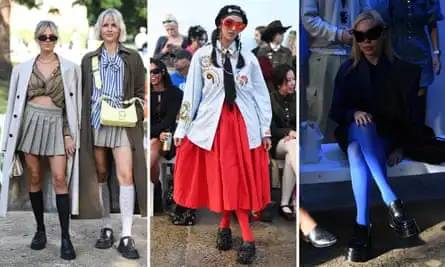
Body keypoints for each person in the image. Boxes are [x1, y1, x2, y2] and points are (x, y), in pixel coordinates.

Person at [172, 5, 272, 265]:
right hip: (214, 126)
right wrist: (182, 128)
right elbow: (191, 94)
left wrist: (265, 129)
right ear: (219, 23)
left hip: (243, 125)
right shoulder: (202, 56)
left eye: (240, 24)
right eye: (229, 22)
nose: (233, 28)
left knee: (236, 180)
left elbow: (261, 95)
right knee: (228, 179)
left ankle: (238, 232)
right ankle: (231, 228)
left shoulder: (249, 59)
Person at [329, 10, 420, 262]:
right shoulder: (347, 70)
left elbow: (412, 115)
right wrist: (354, 111)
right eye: (360, 36)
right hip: (353, 129)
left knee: (357, 151)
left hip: (388, 136)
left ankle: (362, 225)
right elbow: (336, 110)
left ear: (383, 35)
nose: (367, 41)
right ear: (355, 39)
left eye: (372, 34)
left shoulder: (401, 70)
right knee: (362, 126)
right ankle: (392, 201)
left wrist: (400, 147)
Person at [0, 20, 80, 260]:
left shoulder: (69, 68)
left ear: (57, 39)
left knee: (59, 178)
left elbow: (71, 106)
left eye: (52, 37)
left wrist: (68, 133)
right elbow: (16, 104)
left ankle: (66, 237)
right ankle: (40, 230)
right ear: (36, 39)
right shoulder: (22, 68)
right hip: (30, 124)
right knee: (34, 177)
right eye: (43, 37)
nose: (48, 40)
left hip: (57, 123)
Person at [78, 8, 146, 260]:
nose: (108, 29)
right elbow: (84, 94)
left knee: (126, 174)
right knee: (101, 173)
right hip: (97, 122)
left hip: (123, 122)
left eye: (113, 25)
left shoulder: (132, 57)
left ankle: (126, 234)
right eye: (105, 25)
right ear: (99, 29)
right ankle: (106, 226)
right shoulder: (89, 59)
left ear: (120, 29)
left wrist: (136, 108)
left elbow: (141, 89)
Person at [302, 0, 370, 142]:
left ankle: (348, 150)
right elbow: (308, 18)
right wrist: (338, 34)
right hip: (324, 53)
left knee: (352, 109)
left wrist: (359, 31)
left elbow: (366, 12)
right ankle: (314, 154)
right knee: (319, 112)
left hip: (353, 53)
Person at [374, 0, 443, 124]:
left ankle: (419, 137)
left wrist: (436, 54)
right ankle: (403, 138)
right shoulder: (389, 2)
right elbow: (384, 27)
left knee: (419, 103)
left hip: (421, 54)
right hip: (398, 54)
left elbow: (432, 24)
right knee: (400, 100)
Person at [270, 64, 297, 219]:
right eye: (288, 80)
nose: (292, 83)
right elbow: (270, 129)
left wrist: (294, 134)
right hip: (277, 142)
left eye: (293, 79)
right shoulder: (270, 99)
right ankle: (297, 196)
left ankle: (285, 203)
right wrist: (288, 132)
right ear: (279, 82)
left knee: (291, 152)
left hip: (293, 144)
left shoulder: (297, 98)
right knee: (290, 144)